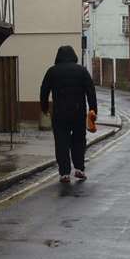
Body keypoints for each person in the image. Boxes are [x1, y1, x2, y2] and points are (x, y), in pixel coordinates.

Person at [39, 45, 98, 183]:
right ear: (73, 56)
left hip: (59, 113)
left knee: (61, 142)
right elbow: (91, 91)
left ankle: (64, 173)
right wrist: (93, 110)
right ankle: (79, 168)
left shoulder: (52, 72)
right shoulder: (82, 71)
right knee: (78, 140)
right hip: (78, 113)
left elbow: (44, 90)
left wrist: (44, 107)